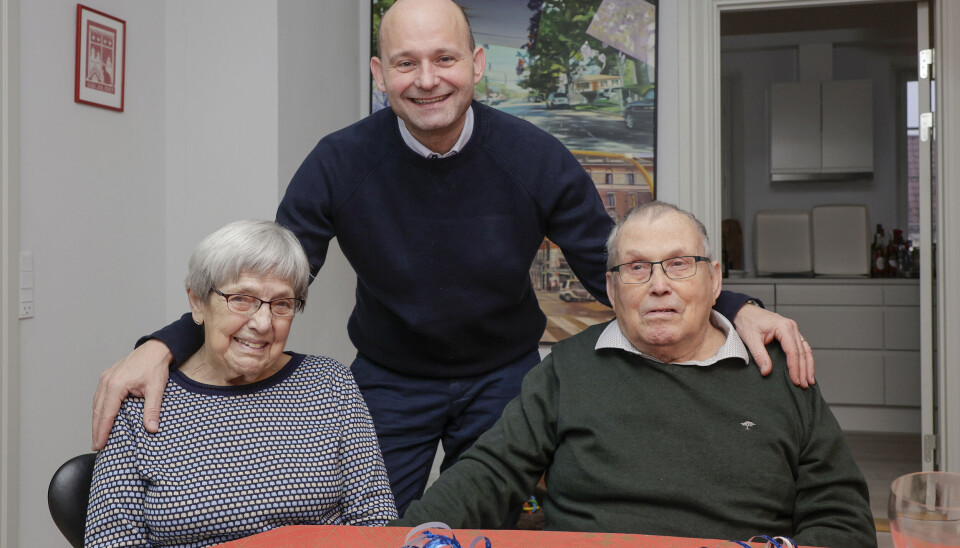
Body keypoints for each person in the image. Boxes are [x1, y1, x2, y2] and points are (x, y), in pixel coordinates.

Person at [91, 0, 814, 515]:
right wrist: (167, 342)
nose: (427, 78)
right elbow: (269, 278)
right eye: (406, 62)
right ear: (380, 73)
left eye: (444, 58)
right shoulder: (340, 162)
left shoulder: (535, 157)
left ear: (475, 65)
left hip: (503, 376)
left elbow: (610, 266)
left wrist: (730, 304)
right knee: (383, 530)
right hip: (388, 377)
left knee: (506, 522)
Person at [394, 202, 876, 548]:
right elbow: (488, 474)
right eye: (637, 268)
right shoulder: (567, 368)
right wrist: (402, 539)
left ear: (715, 280)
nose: (659, 285)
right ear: (612, 286)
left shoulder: (779, 369)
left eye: (679, 265)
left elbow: (842, 521)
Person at [84, 221, 397, 548]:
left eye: (282, 304)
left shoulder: (330, 383)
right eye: (242, 299)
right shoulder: (142, 402)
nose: (263, 324)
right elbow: (112, 541)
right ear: (197, 302)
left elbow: (374, 520)